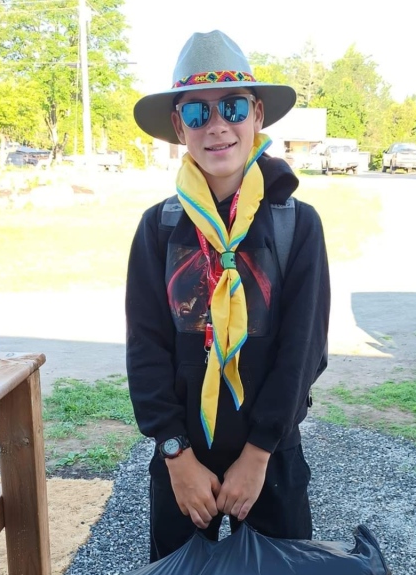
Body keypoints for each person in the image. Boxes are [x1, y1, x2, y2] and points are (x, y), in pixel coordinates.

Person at [126, 30, 330, 562]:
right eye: (196, 113)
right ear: (178, 127)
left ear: (257, 115)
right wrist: (175, 455)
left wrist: (259, 454)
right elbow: (144, 348)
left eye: (232, 107)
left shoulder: (296, 226)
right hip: (182, 465)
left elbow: (302, 350)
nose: (216, 126)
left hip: (270, 460)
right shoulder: (158, 229)